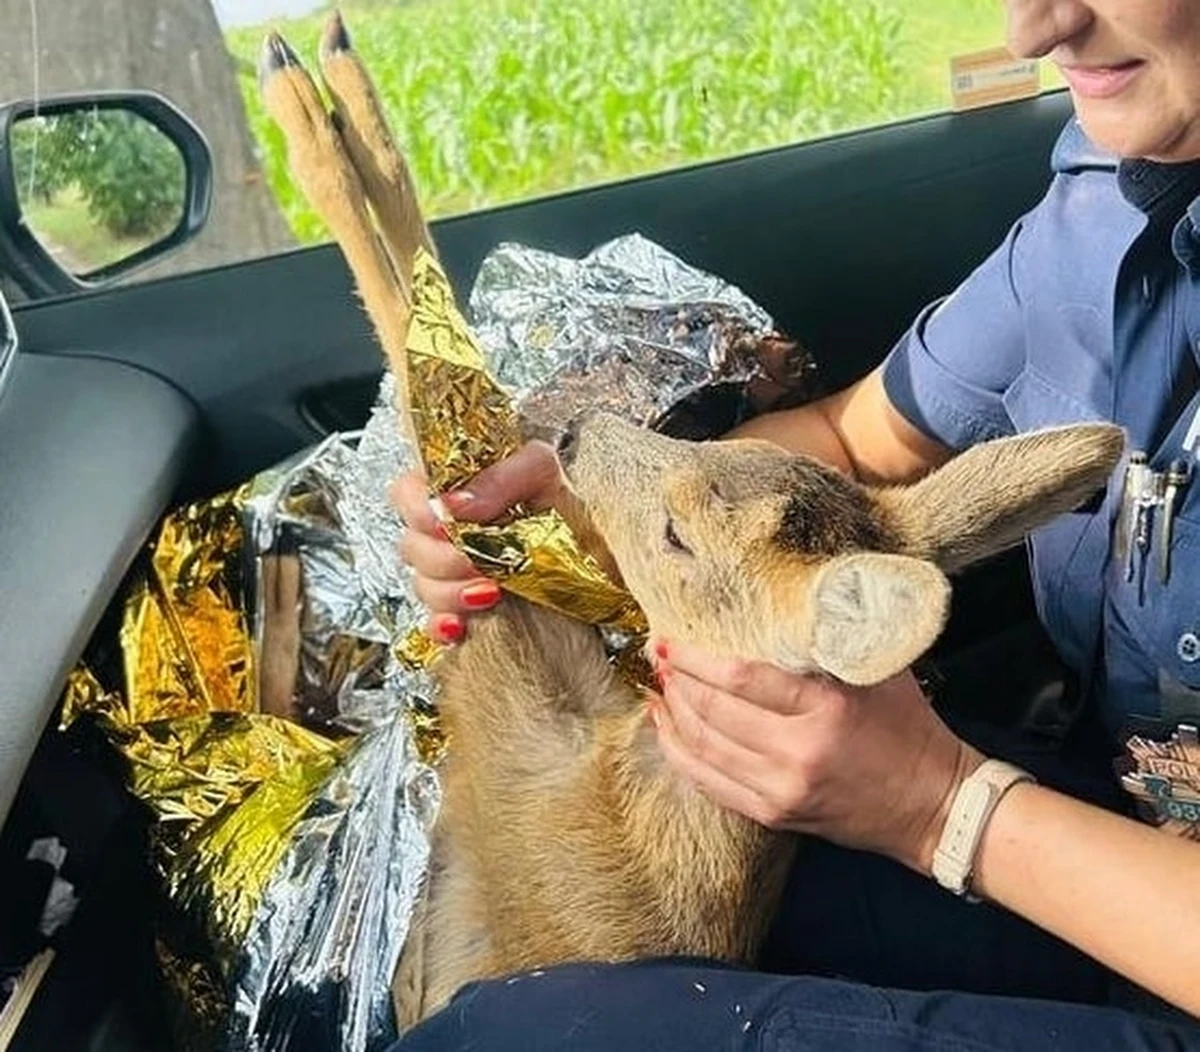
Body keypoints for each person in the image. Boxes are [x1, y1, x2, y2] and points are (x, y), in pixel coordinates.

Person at [387, 1, 1200, 1047]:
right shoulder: (1097, 216)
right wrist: (595, 517)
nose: (1032, 29)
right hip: (1130, 820)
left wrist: (938, 803)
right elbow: (855, 445)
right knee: (589, 895)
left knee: (519, 1034)